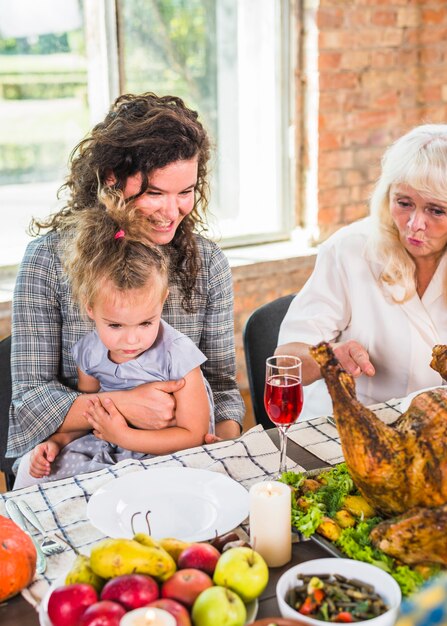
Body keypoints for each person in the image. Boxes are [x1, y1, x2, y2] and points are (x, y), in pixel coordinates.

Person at [6, 92, 244, 479]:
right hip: (79, 451)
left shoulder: (208, 264)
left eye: (185, 192)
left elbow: (220, 385)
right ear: (113, 180)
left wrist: (221, 443)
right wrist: (125, 406)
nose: (173, 212)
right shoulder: (48, 262)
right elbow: (30, 399)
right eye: (155, 193)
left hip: (179, 453)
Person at [14, 191, 215, 486]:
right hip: (112, 446)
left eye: (146, 322)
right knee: (47, 481)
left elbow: (192, 436)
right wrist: (57, 441)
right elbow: (89, 413)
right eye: (116, 325)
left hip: (166, 452)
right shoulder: (89, 353)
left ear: (162, 303)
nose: (132, 339)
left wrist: (124, 435)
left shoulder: (178, 355)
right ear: (91, 309)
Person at [276, 123, 447, 420]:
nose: (415, 224)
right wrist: (330, 357)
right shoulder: (350, 250)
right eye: (404, 203)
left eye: (436, 210)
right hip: (348, 430)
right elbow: (285, 361)